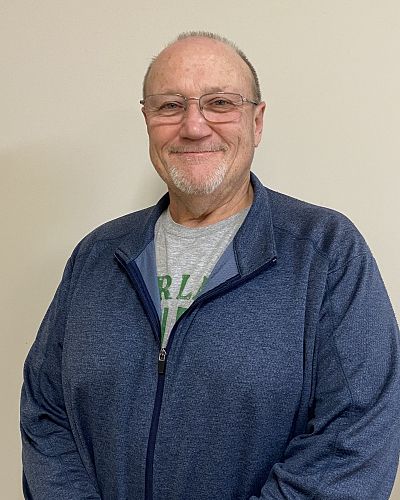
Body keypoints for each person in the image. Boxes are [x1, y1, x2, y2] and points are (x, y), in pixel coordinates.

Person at [21, 31, 400, 500]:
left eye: (220, 103)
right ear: (147, 120)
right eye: (170, 106)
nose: (194, 126)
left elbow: (356, 438)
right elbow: (45, 413)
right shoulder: (97, 255)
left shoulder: (325, 251)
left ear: (257, 122)